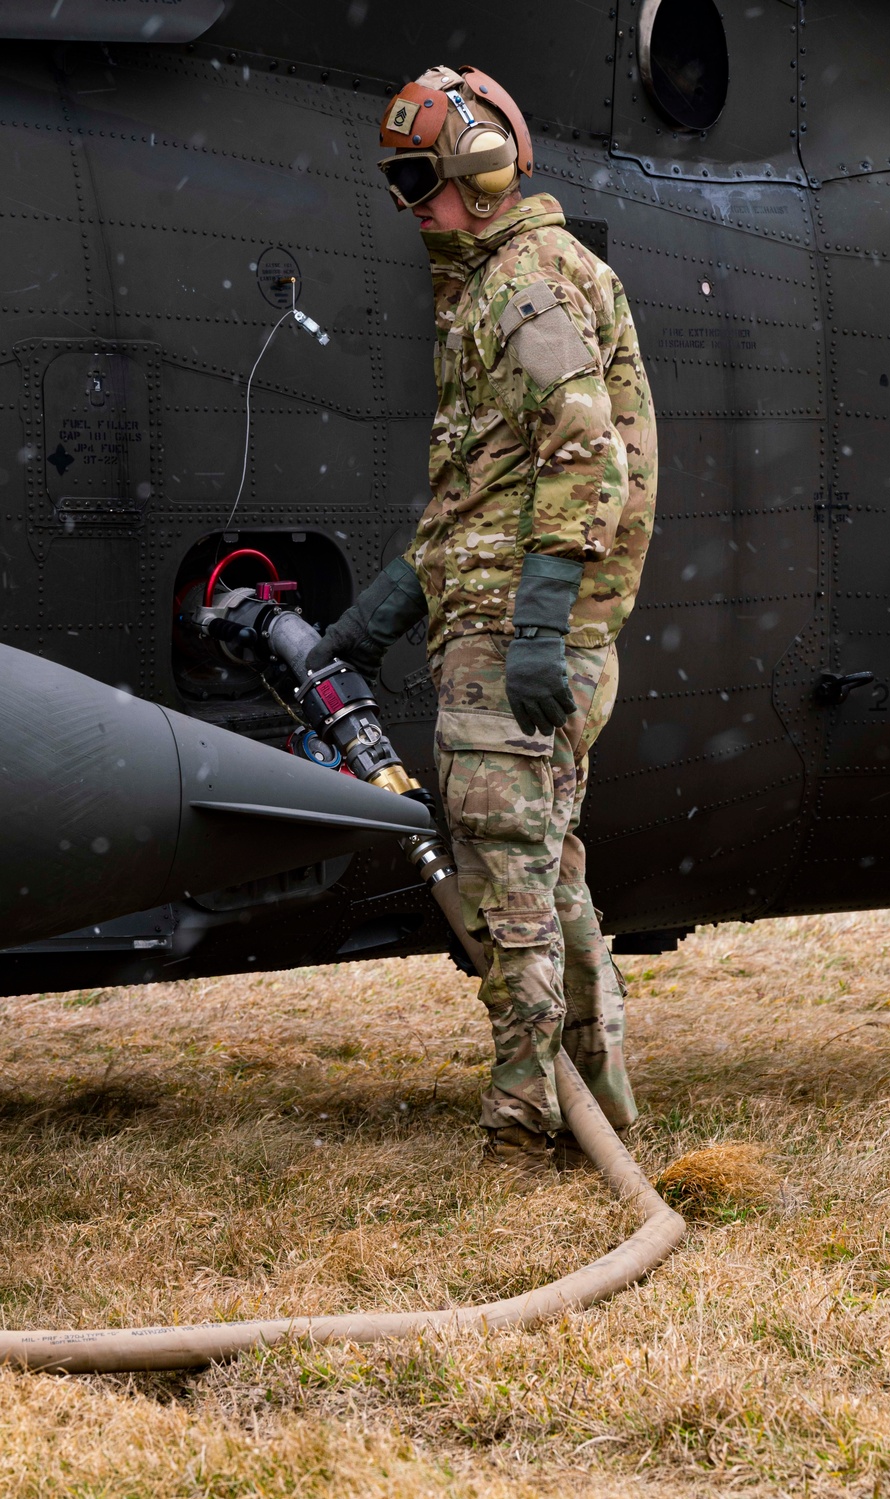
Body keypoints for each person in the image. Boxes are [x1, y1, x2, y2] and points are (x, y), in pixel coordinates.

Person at [306, 64, 657, 1179]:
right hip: (513, 626)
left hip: (514, 642)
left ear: (483, 169)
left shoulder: (525, 286)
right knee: (548, 878)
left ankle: (524, 1129)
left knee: (506, 883)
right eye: (398, 182)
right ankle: (601, 1108)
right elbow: (476, 493)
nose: (411, 204)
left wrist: (543, 625)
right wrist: (372, 619)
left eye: (422, 177)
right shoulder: (505, 282)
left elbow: (580, 448)